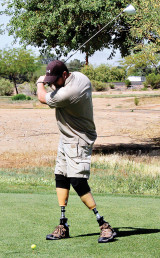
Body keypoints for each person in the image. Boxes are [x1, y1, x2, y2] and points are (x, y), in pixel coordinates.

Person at [36, 60, 116, 243]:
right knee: (61, 176)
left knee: (77, 181)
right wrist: (50, 80)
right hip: (66, 138)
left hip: (79, 139)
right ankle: (63, 225)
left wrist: (40, 82)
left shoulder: (69, 92)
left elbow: (42, 97)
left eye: (53, 80)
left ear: (64, 75)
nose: (51, 84)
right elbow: (55, 87)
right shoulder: (81, 77)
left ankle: (104, 225)